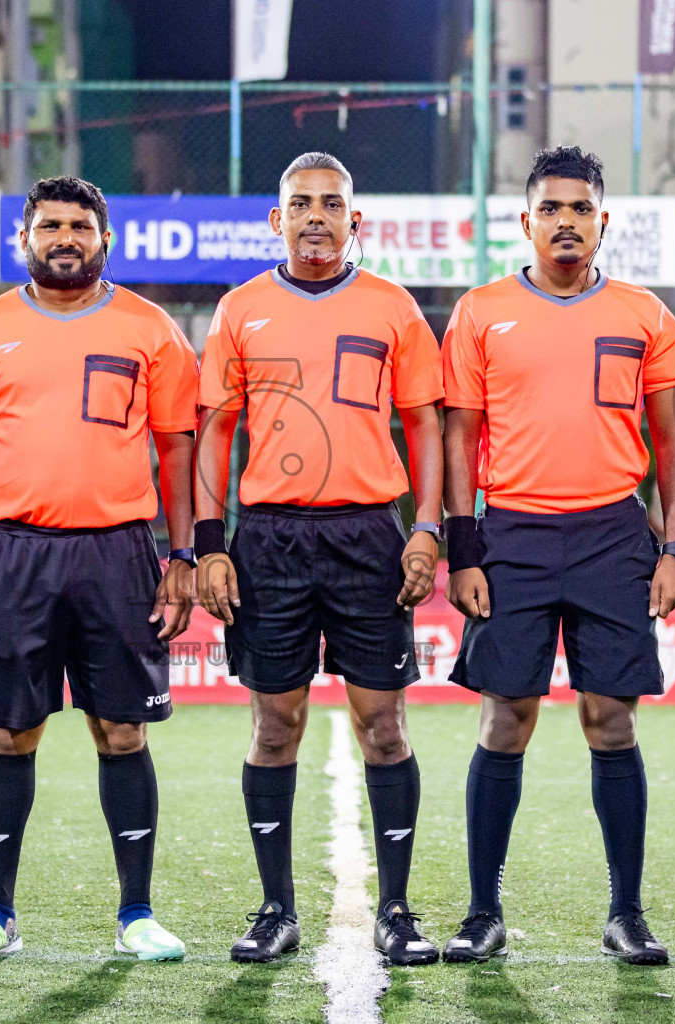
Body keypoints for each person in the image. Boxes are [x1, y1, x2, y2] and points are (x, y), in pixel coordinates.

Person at [437, 146, 675, 966]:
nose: (566, 222)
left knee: (609, 720)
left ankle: (627, 912)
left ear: (603, 220)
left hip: (614, 535)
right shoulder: (480, 312)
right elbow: (459, 438)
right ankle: (483, 913)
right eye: (551, 208)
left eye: (581, 208)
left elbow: (673, 444)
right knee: (505, 717)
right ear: (526, 221)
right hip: (510, 533)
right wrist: (463, 548)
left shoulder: (645, 315)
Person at [0, 176, 197, 964]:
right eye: (49, 224)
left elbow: (178, 444)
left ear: (104, 239)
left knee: (121, 731)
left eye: (80, 224)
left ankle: (137, 915)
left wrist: (181, 555)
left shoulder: (150, 328)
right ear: (26, 239)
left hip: (119, 550)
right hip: (15, 554)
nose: (65, 236)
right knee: (10, 731)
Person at [195, 152, 445, 966]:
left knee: (384, 725)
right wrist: (209, 544)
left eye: (330, 204)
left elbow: (427, 427)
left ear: (354, 220)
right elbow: (214, 434)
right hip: (268, 539)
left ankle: (399, 910)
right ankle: (275, 909)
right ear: (276, 218)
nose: (314, 216)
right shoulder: (239, 310)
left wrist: (426, 528)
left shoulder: (395, 309)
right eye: (299, 203)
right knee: (276, 725)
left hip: (369, 535)